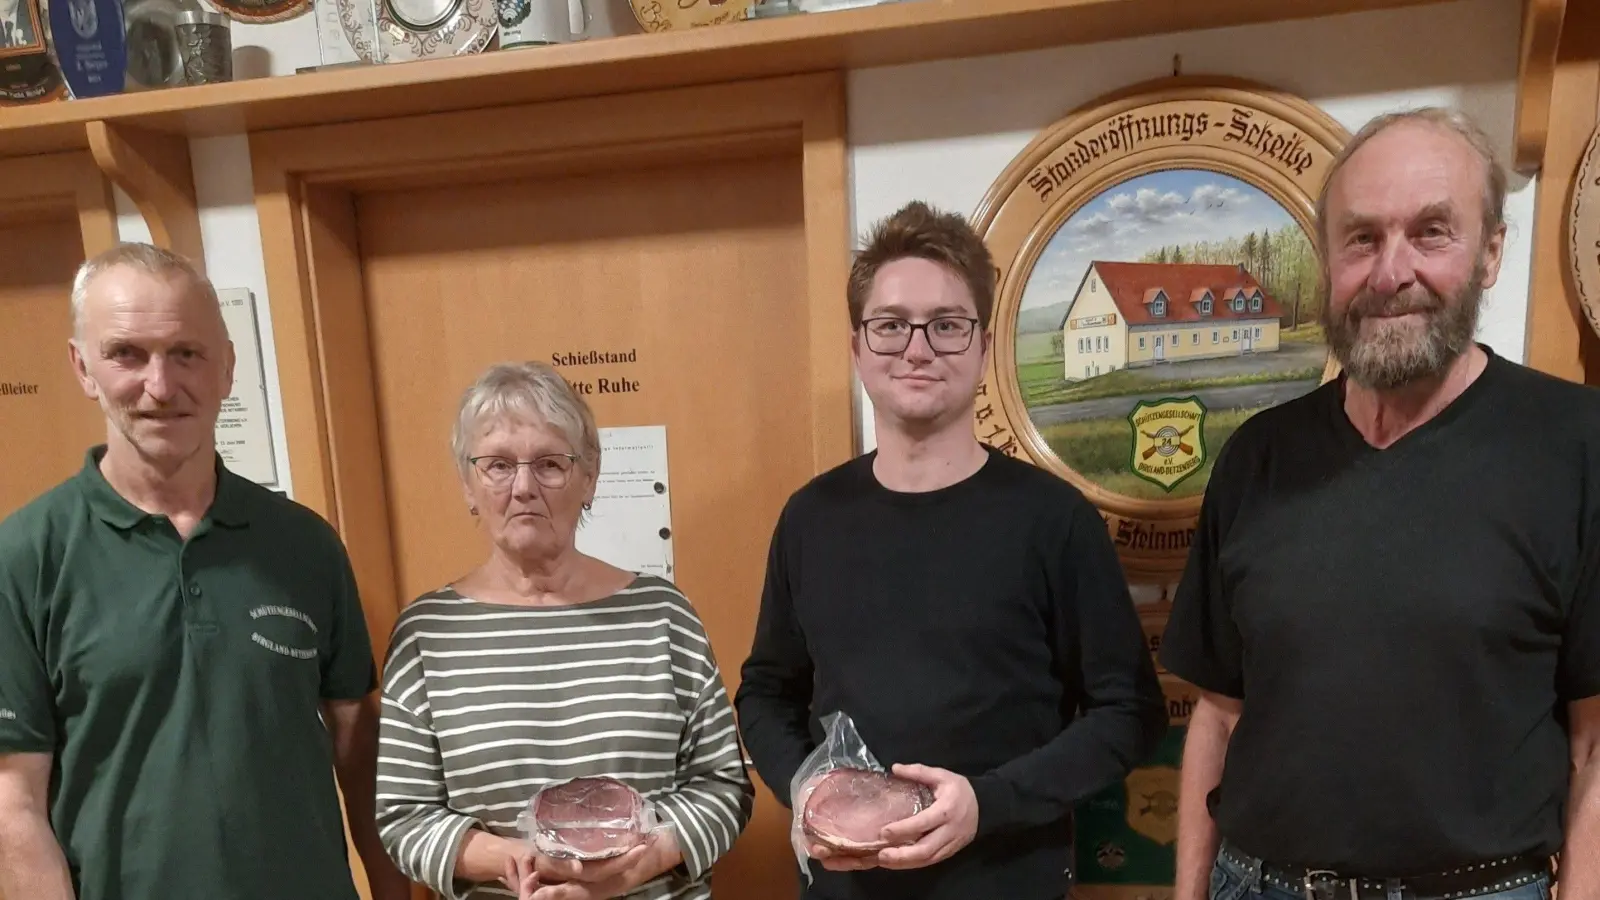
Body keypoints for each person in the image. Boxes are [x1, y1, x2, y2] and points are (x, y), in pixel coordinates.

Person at [1159, 107, 1599, 900]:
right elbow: (1217, 717)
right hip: (1254, 884)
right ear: (1328, 258)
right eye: (1361, 238)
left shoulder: (1578, 445)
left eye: (1432, 232)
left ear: (1492, 251)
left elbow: (1595, 742)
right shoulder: (1258, 456)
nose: (1392, 273)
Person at [735, 200, 1170, 900]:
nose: (917, 349)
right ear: (857, 347)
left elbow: (1129, 714)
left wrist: (988, 804)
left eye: (946, 325)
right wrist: (810, 789)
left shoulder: (1054, 520)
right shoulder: (810, 519)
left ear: (983, 346)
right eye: (890, 325)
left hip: (1008, 882)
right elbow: (765, 694)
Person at [0, 243, 411, 900]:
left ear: (226, 367)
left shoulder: (305, 545)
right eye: (126, 354)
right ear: (83, 367)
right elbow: (13, 805)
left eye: (186, 353)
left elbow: (359, 754)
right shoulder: (25, 556)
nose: (161, 386)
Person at [374, 360, 754, 900]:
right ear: (467, 484)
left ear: (589, 478)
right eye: (498, 465)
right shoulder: (426, 634)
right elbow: (404, 817)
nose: (524, 487)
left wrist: (632, 869)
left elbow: (724, 787)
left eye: (549, 463)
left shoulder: (663, 615)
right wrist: (525, 863)